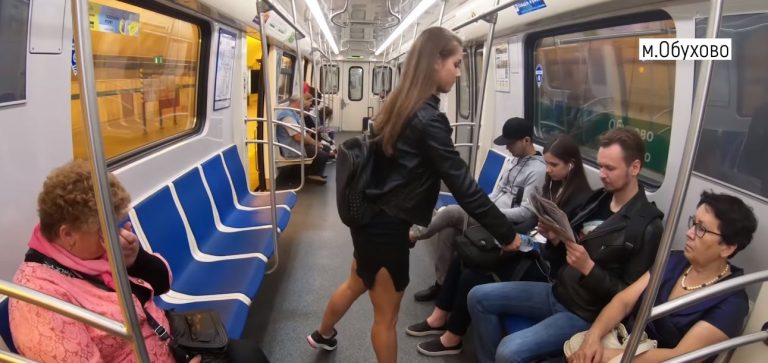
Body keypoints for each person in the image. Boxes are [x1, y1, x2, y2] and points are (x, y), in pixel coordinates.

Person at [306, 27, 521, 363]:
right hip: (386, 227)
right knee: (386, 319)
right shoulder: (429, 120)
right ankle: (324, 334)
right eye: (456, 63)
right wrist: (506, 234)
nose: (459, 72)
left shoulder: (398, 105)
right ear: (435, 63)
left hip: (370, 217)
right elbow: (464, 187)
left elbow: (393, 172)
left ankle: (323, 334)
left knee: (355, 283)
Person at [8, 161, 269, 363]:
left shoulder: (88, 253)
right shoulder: (39, 301)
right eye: (104, 230)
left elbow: (162, 284)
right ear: (68, 234)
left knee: (249, 353)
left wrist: (136, 259)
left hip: (170, 341)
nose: (114, 237)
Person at [468, 128, 664, 363]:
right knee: (477, 296)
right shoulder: (599, 199)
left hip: (584, 313)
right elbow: (566, 253)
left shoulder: (646, 227)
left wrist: (589, 268)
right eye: (600, 166)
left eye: (609, 168)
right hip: (559, 290)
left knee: (509, 351)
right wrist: (555, 239)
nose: (602, 174)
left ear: (634, 168)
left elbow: (629, 298)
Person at [406, 134, 592, 356]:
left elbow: (567, 255)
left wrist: (551, 238)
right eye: (547, 163)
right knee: (463, 255)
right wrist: (519, 237)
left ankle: (452, 338)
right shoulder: (552, 186)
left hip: (546, 267)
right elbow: (533, 221)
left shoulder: (583, 200)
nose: (548, 169)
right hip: (533, 248)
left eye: (554, 165)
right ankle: (439, 317)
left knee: (473, 274)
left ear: (571, 166)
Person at [567, 191, 756, 363]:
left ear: (727, 247)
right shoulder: (674, 260)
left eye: (701, 229)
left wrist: (614, 357)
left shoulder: (731, 302)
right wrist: (593, 338)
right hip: (625, 341)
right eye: (693, 223)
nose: (689, 233)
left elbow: (681, 356)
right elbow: (623, 301)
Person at [412, 117, 547, 302]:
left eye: (510, 143)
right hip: (488, 214)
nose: (507, 148)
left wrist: (489, 213)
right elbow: (496, 192)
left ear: (526, 140)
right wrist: (482, 207)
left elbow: (526, 213)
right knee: (448, 231)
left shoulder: (537, 171)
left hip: (503, 223)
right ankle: (442, 286)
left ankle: (412, 235)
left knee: (451, 212)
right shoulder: (514, 161)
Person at [275, 95, 333, 185]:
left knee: (326, 148)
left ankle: (315, 173)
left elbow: (304, 134)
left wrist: (315, 143)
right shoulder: (288, 117)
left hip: (298, 144)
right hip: (292, 147)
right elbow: (298, 137)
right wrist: (315, 144)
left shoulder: (295, 114)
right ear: (297, 103)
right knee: (322, 154)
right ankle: (311, 174)